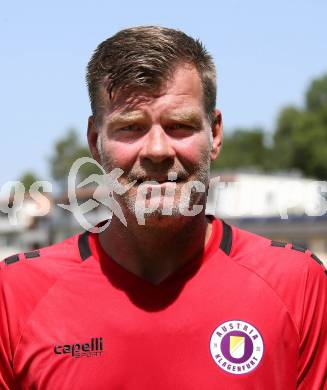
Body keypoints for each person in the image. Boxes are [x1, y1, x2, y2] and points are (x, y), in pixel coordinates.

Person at [0, 26, 326, 389]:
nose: (157, 150)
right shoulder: (14, 296)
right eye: (131, 127)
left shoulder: (299, 285)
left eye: (180, 125)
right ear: (96, 141)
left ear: (214, 134)